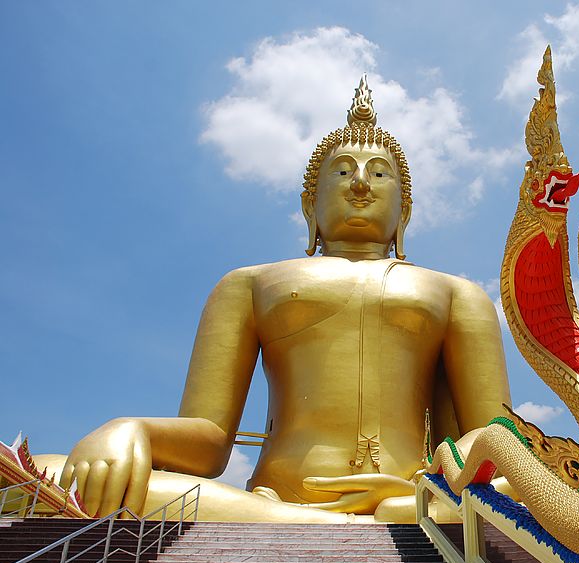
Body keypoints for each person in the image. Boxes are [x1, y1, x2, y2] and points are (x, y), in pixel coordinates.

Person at [34, 77, 511, 523]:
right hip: (271, 503)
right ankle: (309, 521)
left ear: (404, 210)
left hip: (414, 495)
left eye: (379, 174)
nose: (360, 184)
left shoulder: (457, 293)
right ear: (310, 205)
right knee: (41, 473)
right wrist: (129, 428)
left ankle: (400, 511)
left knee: (542, 486)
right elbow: (209, 442)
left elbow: (500, 439)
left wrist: (428, 488)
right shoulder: (250, 283)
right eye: (342, 171)